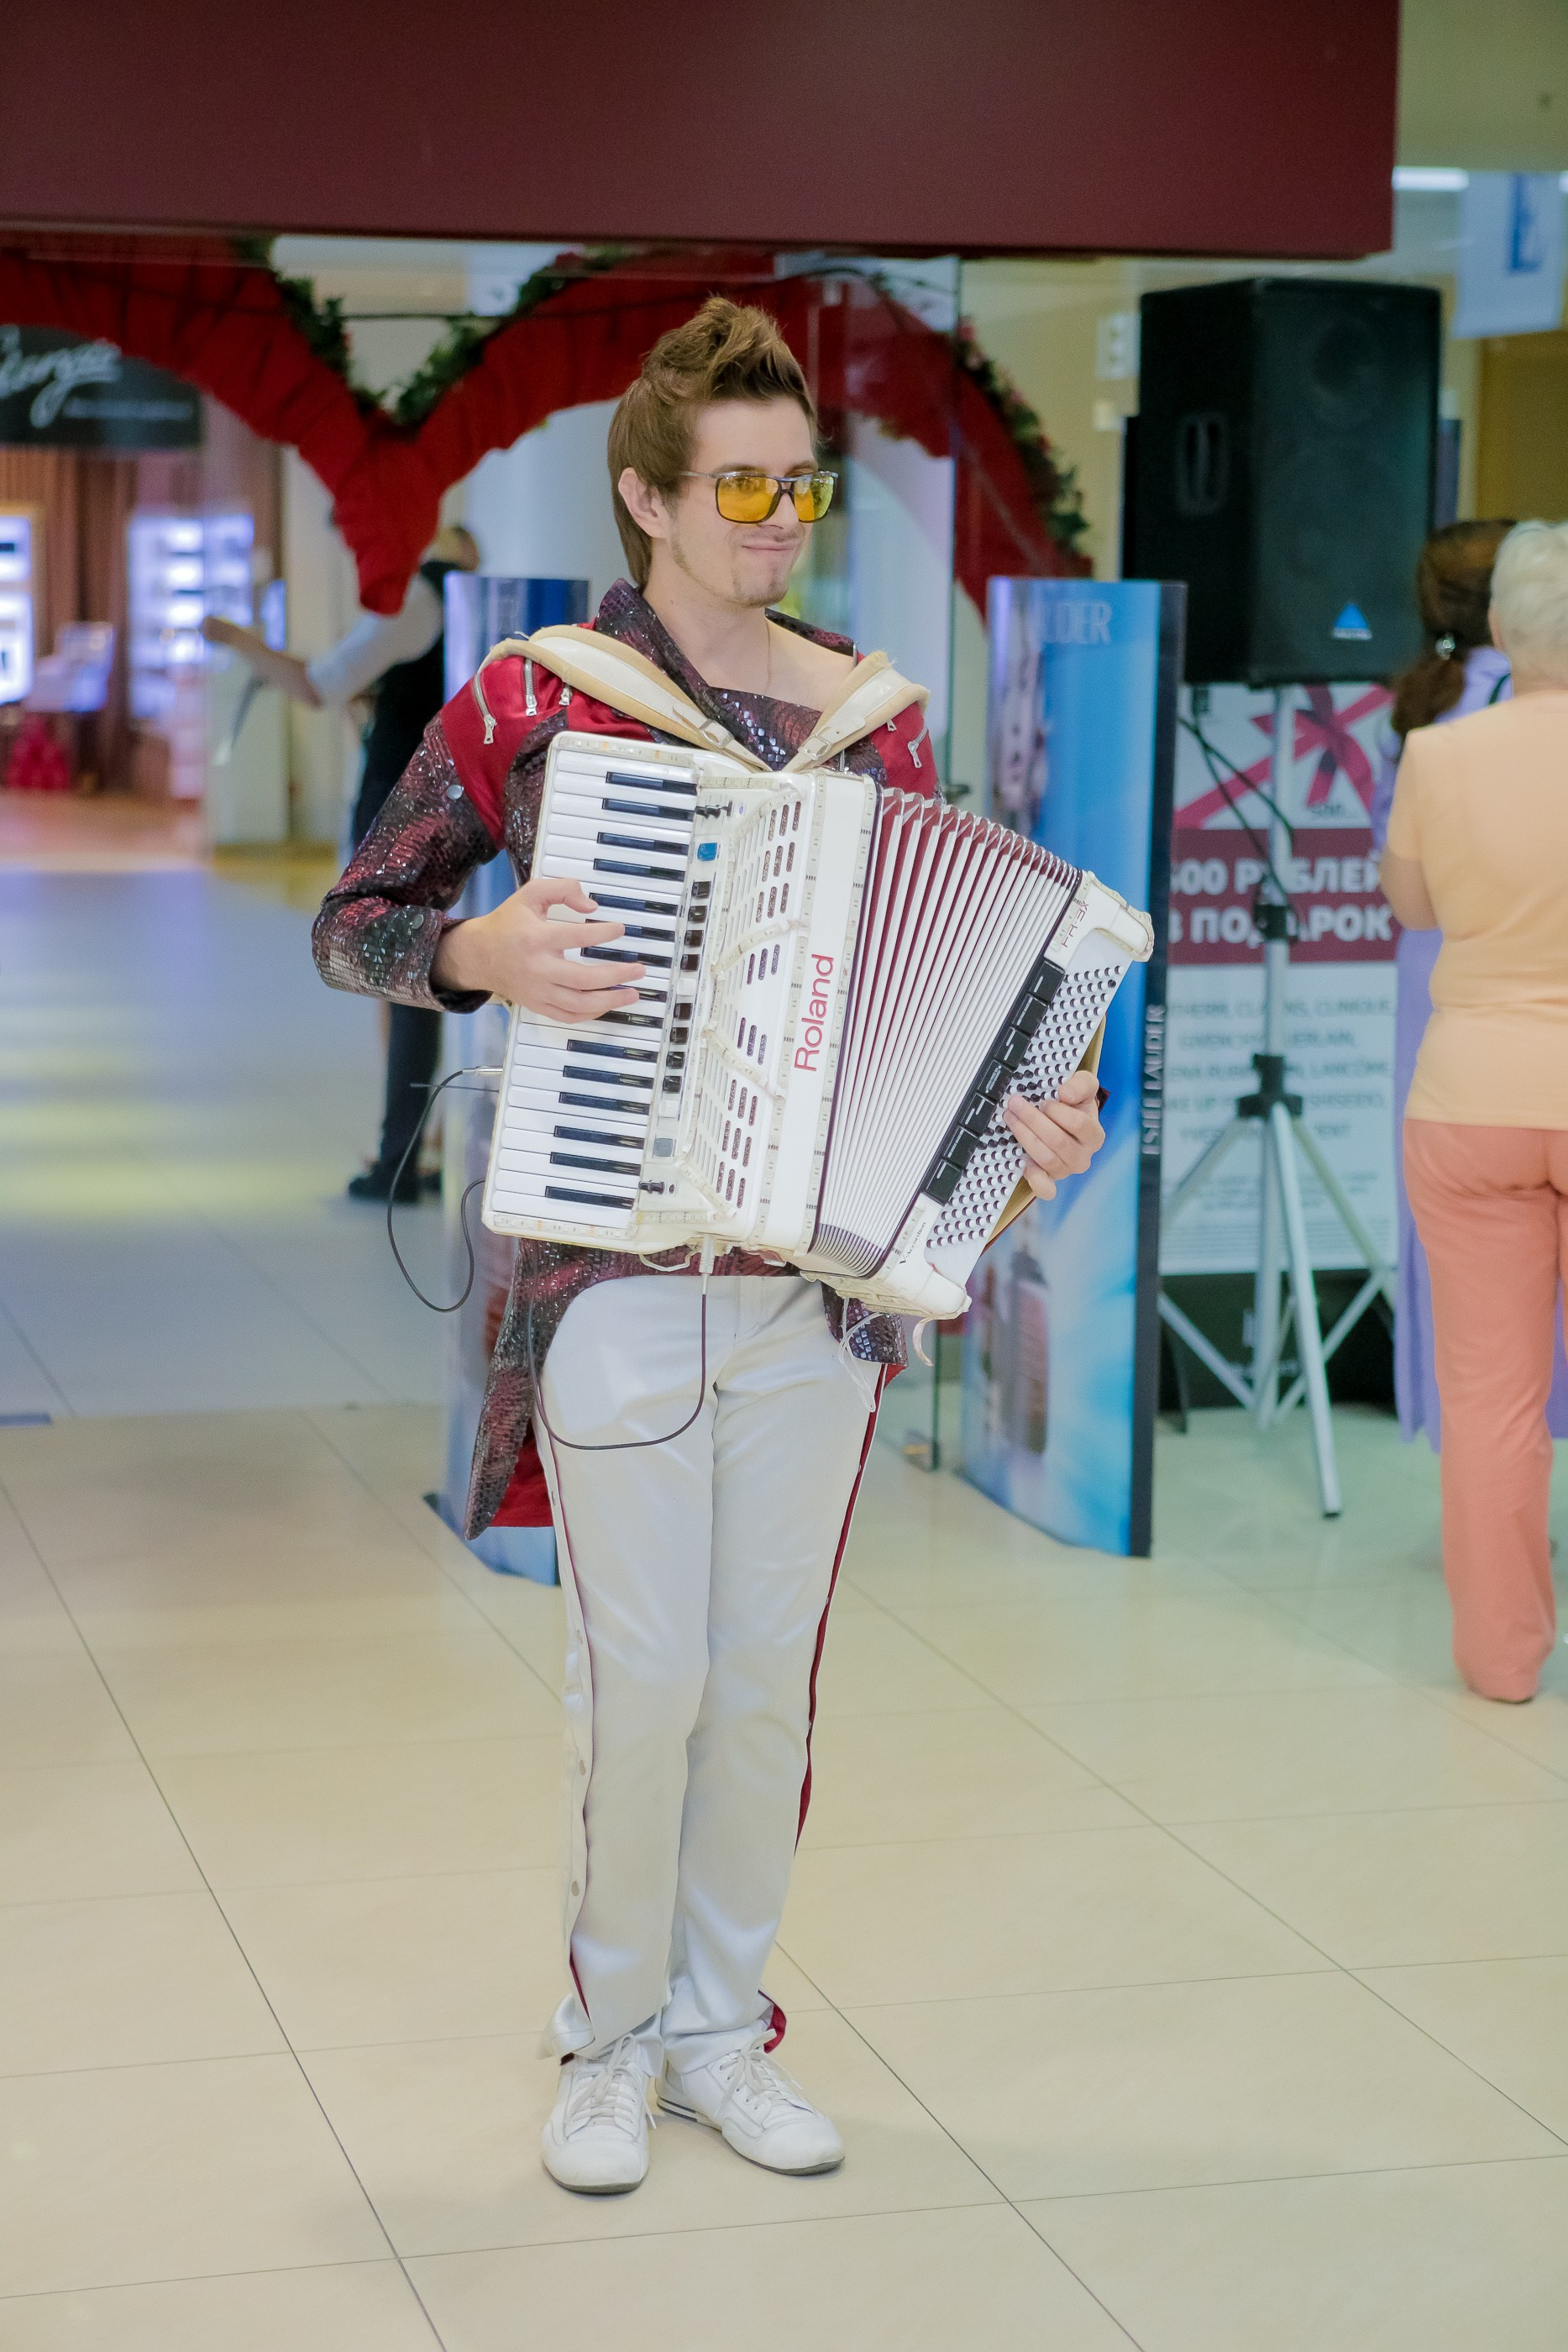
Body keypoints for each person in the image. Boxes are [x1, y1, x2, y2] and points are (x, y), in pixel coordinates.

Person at [312, 300, 1107, 2192]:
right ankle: (602, 2038)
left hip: (814, 1291)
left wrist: (1023, 1136)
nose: (777, 519)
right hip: (609, 1270)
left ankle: (718, 2028)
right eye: (741, 487)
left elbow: (929, 996)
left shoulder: (872, 719)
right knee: (643, 1673)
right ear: (650, 497)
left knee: (765, 1678)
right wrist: (481, 950)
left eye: (798, 485)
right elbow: (358, 920)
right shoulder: (540, 699)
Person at [1381, 518, 1568, 1703]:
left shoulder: (1435, 755)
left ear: (1500, 627)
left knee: (1491, 1400)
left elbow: (1411, 907)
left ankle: (1500, 1660)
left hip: (1468, 1099)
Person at [205, 522, 481, 1201]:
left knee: (404, 976)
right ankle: (412, 1145)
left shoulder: (415, 596)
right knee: (409, 978)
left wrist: (235, 639)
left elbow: (315, 685)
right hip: (438, 803)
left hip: (401, 808)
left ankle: (400, 1159)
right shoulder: (453, 595)